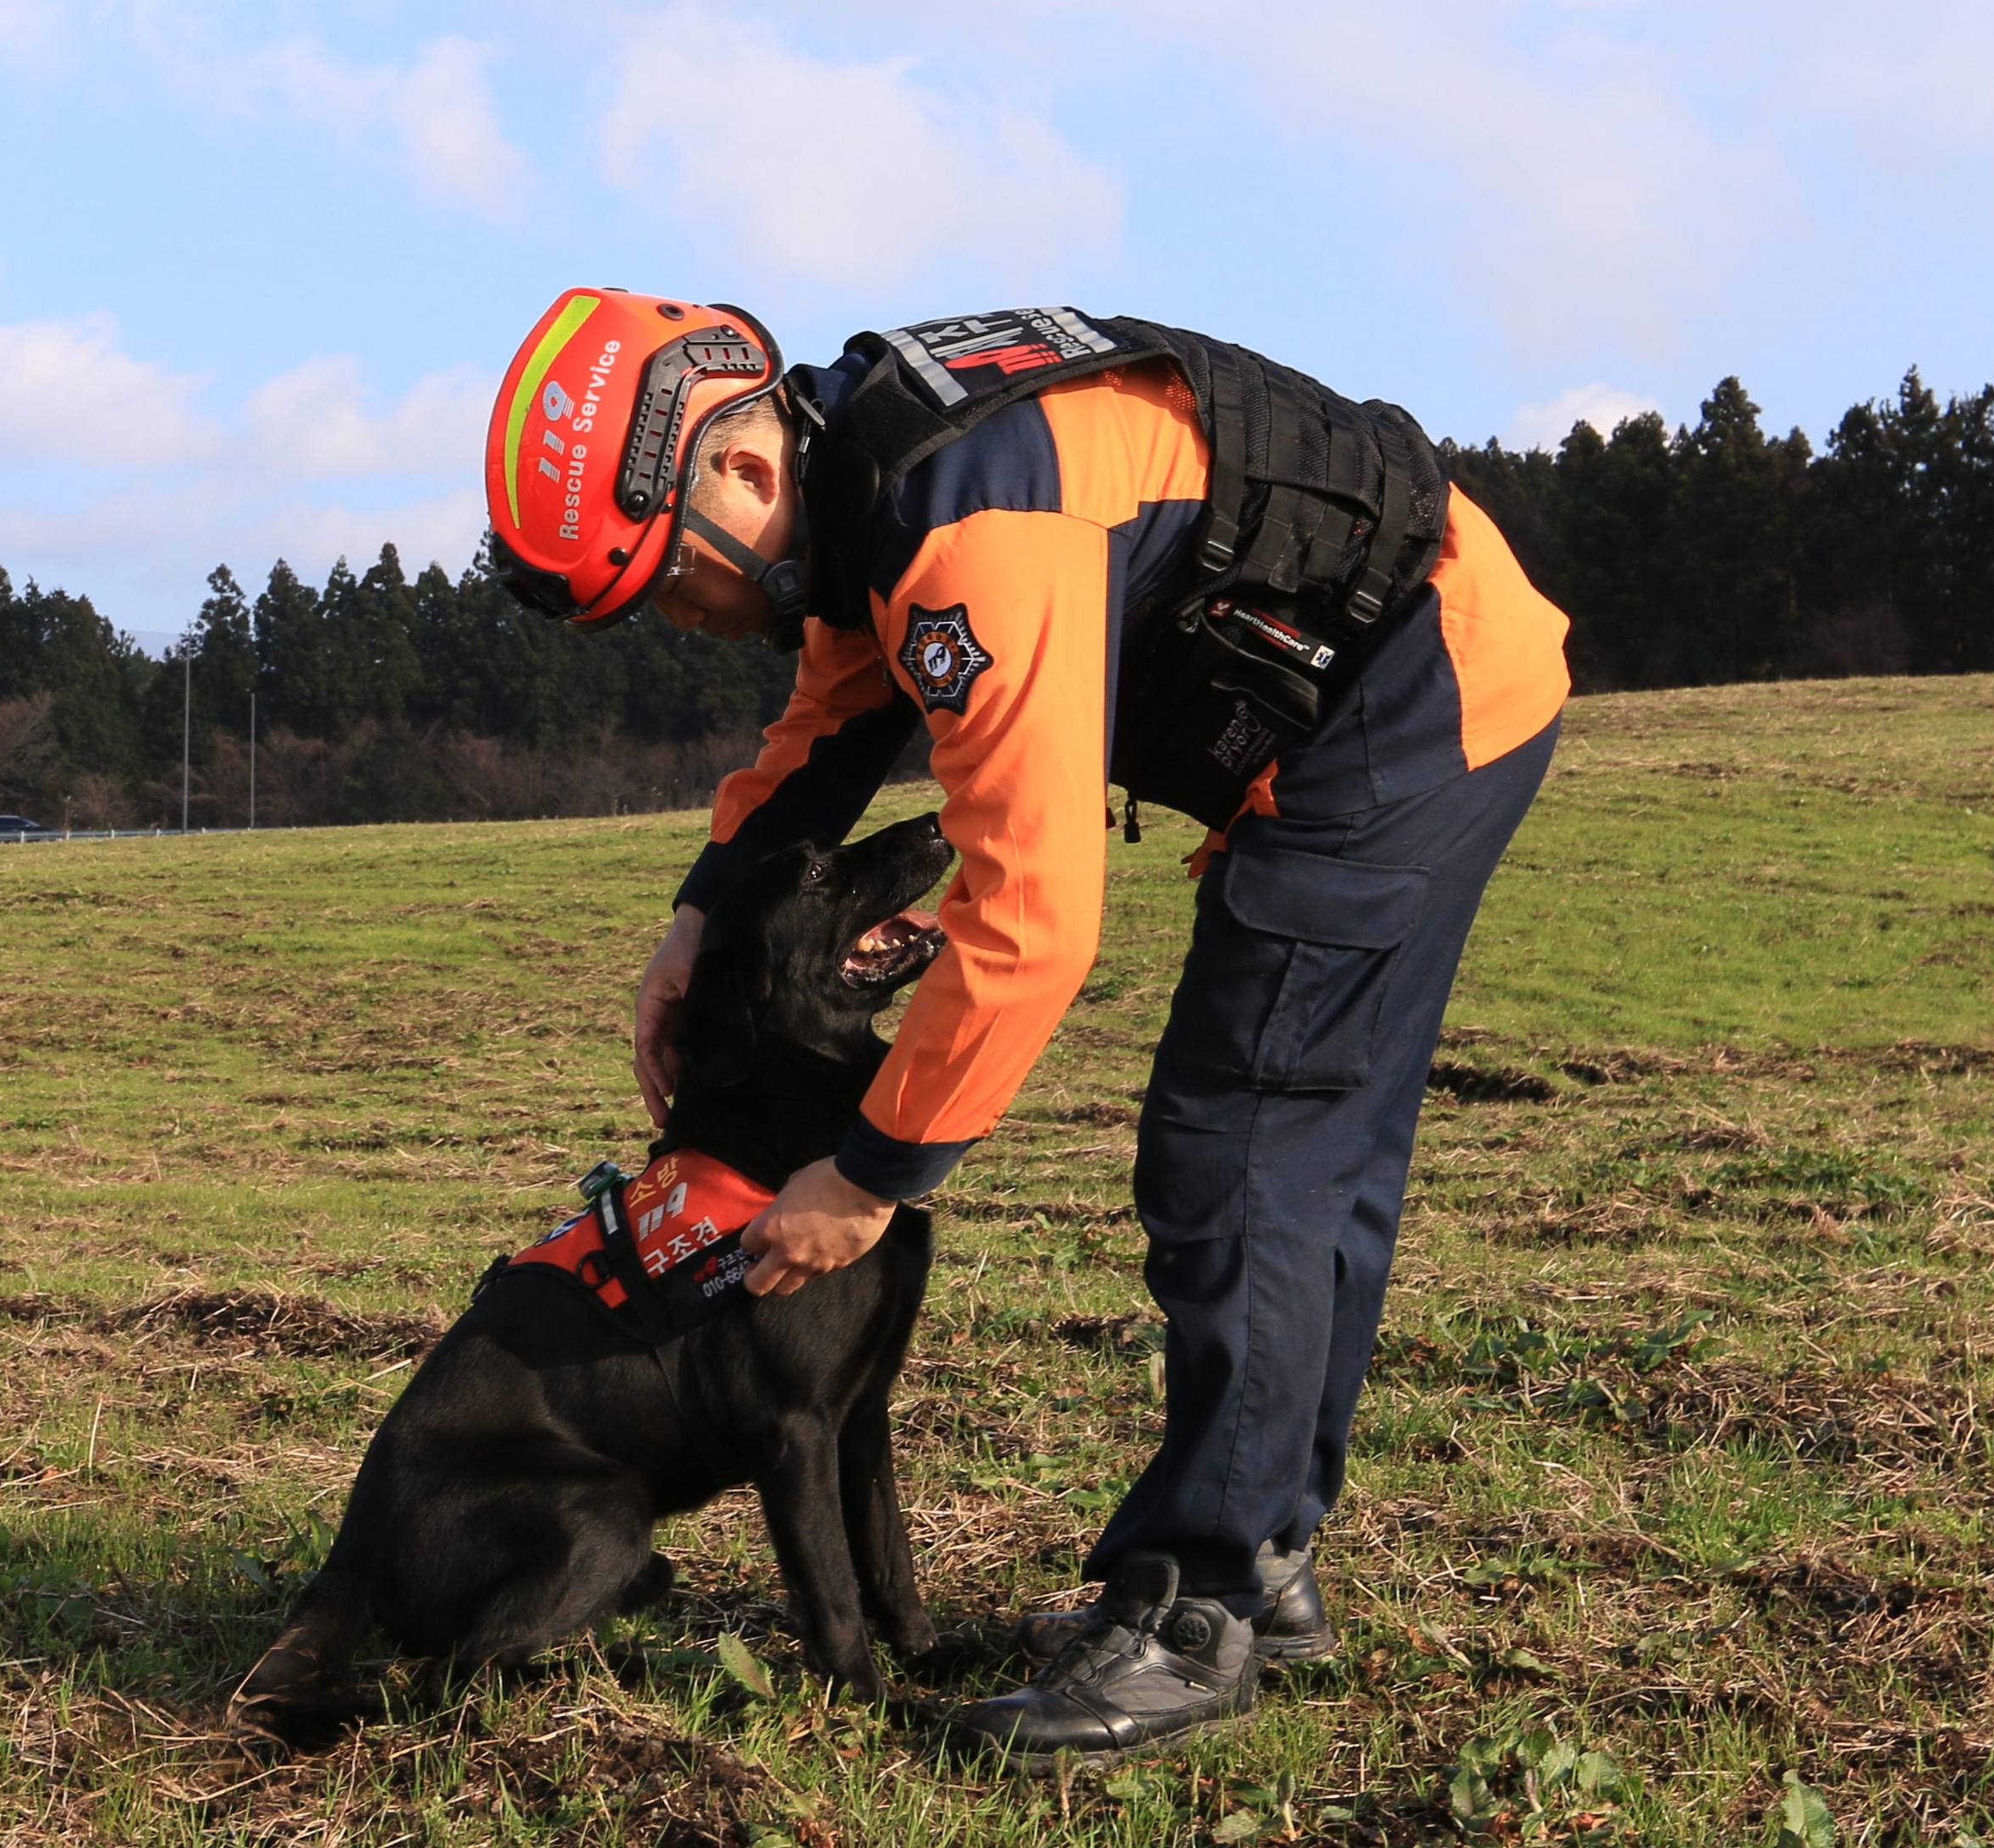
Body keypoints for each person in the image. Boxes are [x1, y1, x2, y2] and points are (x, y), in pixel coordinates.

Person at [481, 289, 1568, 1765]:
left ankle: (1202, 1604)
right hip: (1415, 659)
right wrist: (699, 917)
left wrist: (866, 1180)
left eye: (670, 584)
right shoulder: (876, 476)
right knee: (1309, 1152)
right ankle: (1272, 1563)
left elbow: (1032, 926)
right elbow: (833, 721)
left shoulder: (974, 537)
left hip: (1412, 699)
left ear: (735, 473)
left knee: (1248, 1148)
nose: (688, 618)